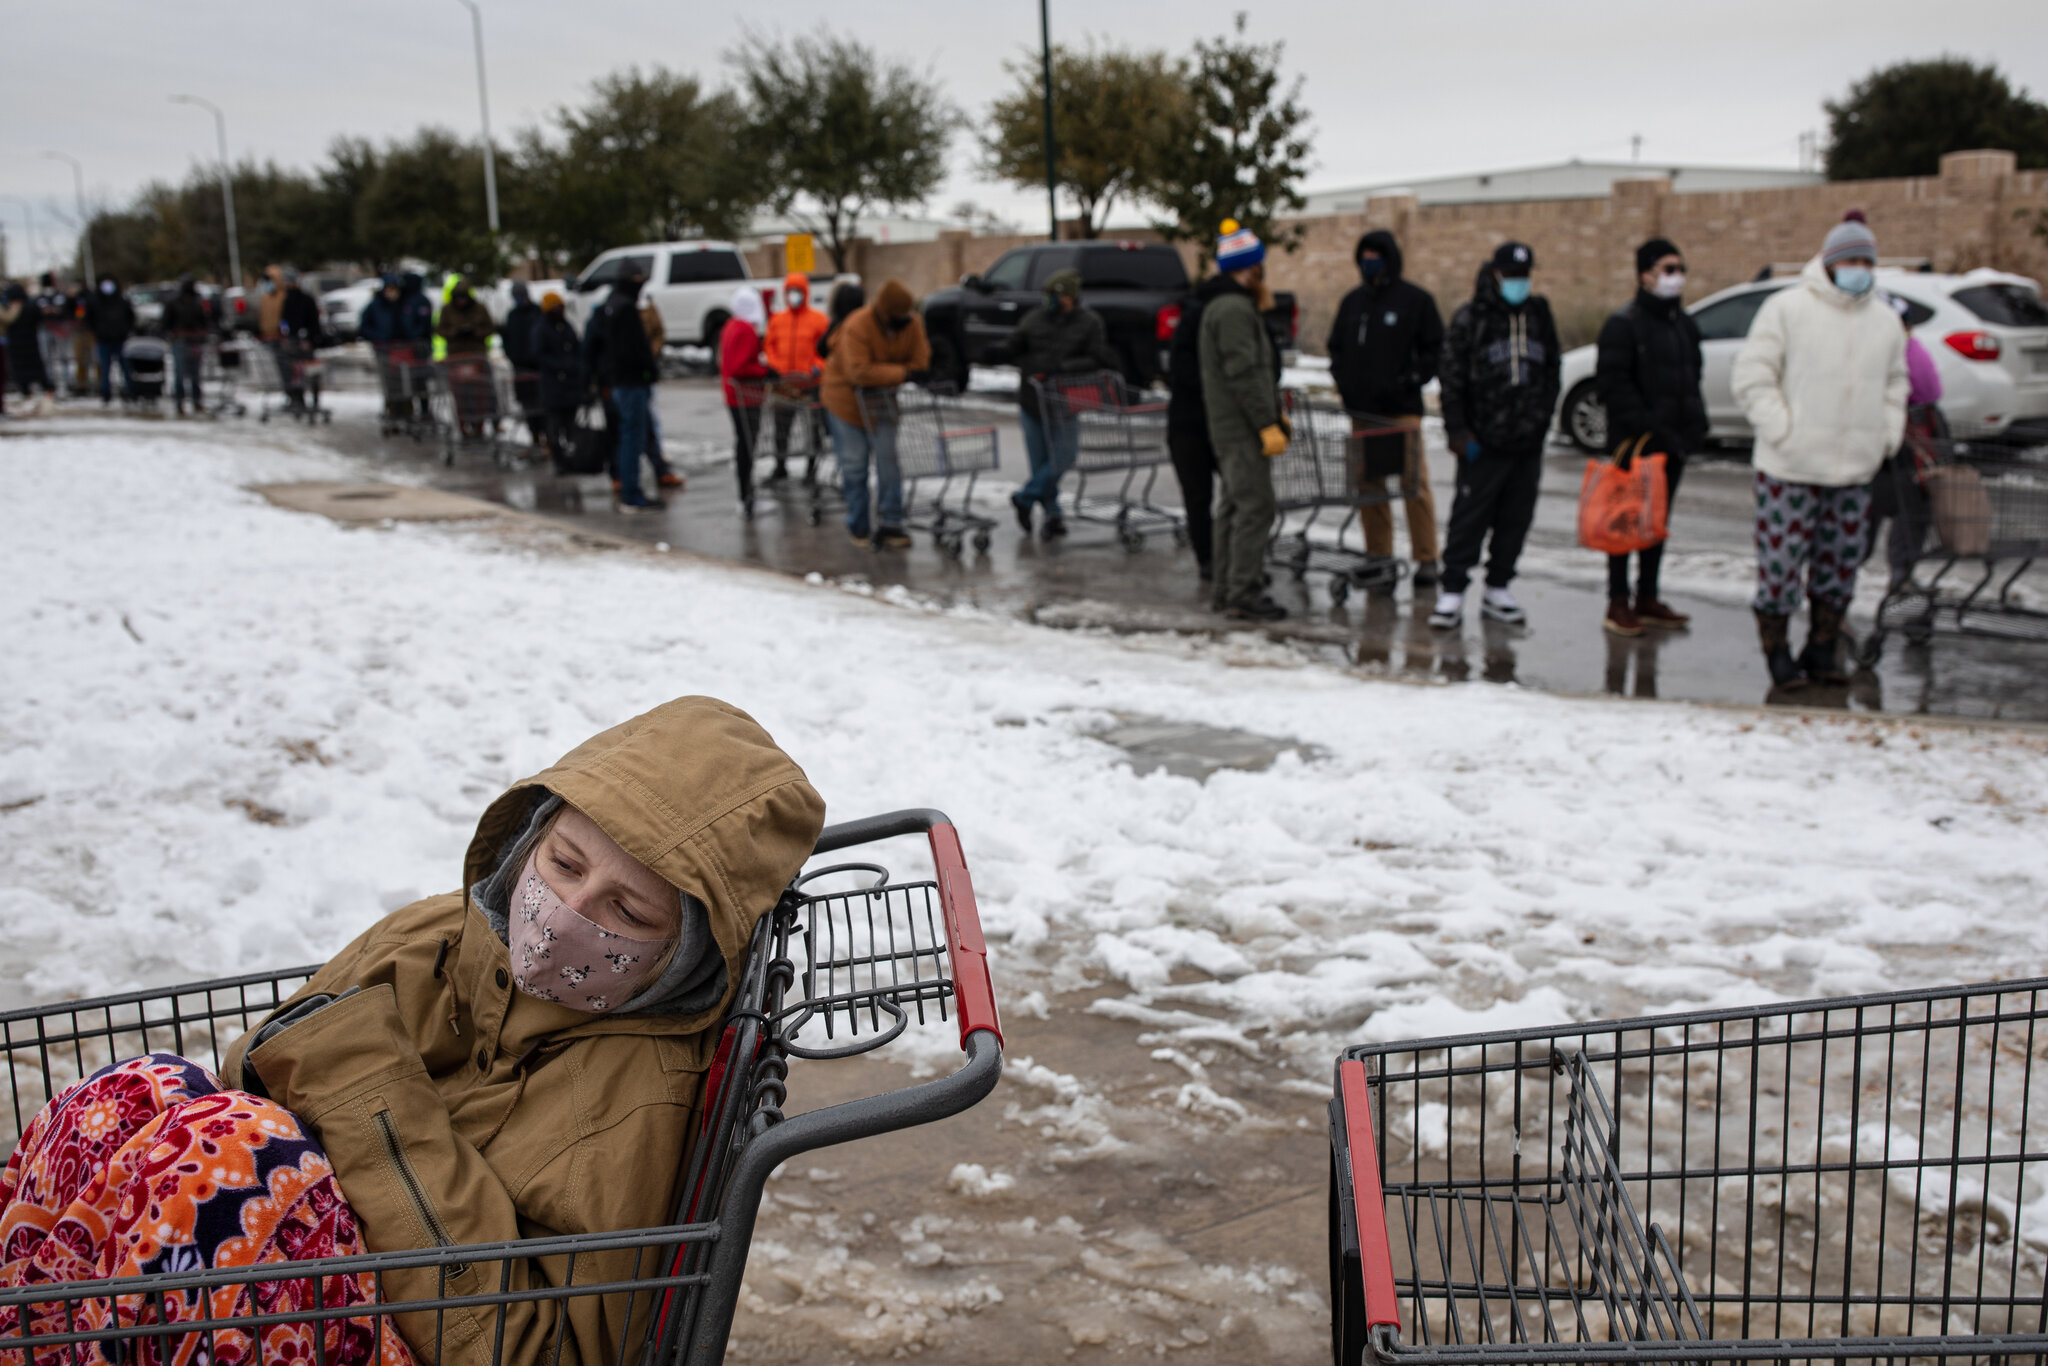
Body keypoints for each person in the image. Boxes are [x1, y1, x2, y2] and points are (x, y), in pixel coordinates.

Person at [0, 696, 826, 1366]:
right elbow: (251, 1067)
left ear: (686, 957)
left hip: (395, 1328)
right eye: (565, 864)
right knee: (135, 1094)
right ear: (532, 835)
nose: (569, 912)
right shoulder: (437, 938)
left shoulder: (631, 1108)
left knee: (236, 1159)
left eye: (628, 910)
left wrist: (369, 1104)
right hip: (299, 1278)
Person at [1732, 211, 1907, 689]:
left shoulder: (1886, 320)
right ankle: (1777, 652)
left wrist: (1886, 434)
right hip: (1789, 468)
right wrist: (1782, 428)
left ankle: (1823, 648)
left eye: (1866, 261)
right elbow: (1753, 376)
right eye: (1850, 259)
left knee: (1840, 567)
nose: (1859, 268)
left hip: (1853, 471)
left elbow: (1897, 382)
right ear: (1829, 262)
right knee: (1780, 566)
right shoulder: (1789, 309)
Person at [1430, 242, 1561, 631]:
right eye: (1511, 276)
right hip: (1482, 441)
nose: (1519, 283)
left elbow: (1552, 369)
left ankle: (1499, 587)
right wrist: (1458, 430)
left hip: (1526, 440)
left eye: (1525, 276)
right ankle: (1452, 589)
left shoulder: (1538, 316)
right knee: (1470, 517)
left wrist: (1542, 420)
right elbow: (1451, 378)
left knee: (1515, 518)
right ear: (1494, 274)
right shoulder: (1473, 319)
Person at [1593, 237, 1708, 636]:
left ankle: (1648, 596)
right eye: (1667, 269)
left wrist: (1694, 425)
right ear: (1645, 275)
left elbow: (1691, 377)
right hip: (1635, 443)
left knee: (1656, 524)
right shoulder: (1624, 324)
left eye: (1680, 269)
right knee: (1625, 525)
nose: (1676, 278)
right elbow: (1613, 384)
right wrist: (1648, 425)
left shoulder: (1684, 324)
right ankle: (1617, 600)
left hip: (1672, 444)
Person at [1325, 229, 1445, 586]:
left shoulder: (1415, 301)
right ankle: (1378, 555)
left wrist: (1409, 380)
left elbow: (1435, 350)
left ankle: (1426, 558)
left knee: (1413, 485)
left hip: (1401, 410)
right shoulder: (1353, 303)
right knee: (1369, 486)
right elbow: (1337, 349)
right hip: (1363, 413)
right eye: (1364, 255)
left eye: (1376, 255)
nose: (1369, 262)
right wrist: (1346, 384)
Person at [1200, 221, 1290, 622]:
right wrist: (1266, 422)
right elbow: (1245, 373)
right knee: (1255, 507)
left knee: (1234, 507)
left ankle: (1226, 588)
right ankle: (1242, 590)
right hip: (1239, 427)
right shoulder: (1234, 310)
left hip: (1228, 424)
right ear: (1250, 269)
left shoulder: (1222, 306)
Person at [997, 266, 1121, 542]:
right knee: (1041, 462)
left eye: (1056, 295)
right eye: (1048, 294)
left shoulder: (1089, 323)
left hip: (1064, 400)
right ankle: (1053, 514)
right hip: (1032, 399)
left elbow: (1096, 357)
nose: (1050, 300)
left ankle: (1025, 498)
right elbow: (1016, 344)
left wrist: (1063, 367)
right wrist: (1000, 351)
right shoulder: (1034, 319)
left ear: (1070, 297)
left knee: (1063, 457)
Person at [820, 278, 930, 549]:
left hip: (882, 402)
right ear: (884, 313)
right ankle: (858, 525)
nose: (904, 321)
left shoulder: (911, 324)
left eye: (907, 316)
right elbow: (858, 371)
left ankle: (892, 523)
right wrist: (901, 372)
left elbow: (920, 360)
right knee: (855, 465)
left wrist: (887, 372)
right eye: (898, 317)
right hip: (845, 402)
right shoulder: (857, 326)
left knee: (888, 462)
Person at [1867, 294, 1944, 591]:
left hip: (1897, 454)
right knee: (1906, 518)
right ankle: (1902, 582)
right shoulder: (1908, 349)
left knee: (1878, 521)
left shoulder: (1902, 352)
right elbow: (1930, 393)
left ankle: (1901, 584)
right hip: (1901, 455)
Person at [1164, 270, 1229, 582]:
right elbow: (1181, 371)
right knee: (1204, 497)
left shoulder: (1236, 317)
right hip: (1194, 422)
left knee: (1219, 497)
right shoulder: (1198, 321)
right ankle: (1211, 559)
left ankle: (1230, 560)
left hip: (1203, 423)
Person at [587, 260, 663, 512]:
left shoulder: (612, 305)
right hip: (630, 382)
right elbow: (634, 348)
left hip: (620, 381)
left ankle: (632, 487)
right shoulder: (624, 308)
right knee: (632, 437)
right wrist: (649, 370)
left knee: (630, 435)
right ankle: (632, 492)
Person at [763, 272, 829, 484]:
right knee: (781, 427)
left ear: (805, 292)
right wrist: (776, 366)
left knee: (811, 428)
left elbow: (826, 350)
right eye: (790, 292)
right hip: (784, 383)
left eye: (798, 291)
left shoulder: (818, 320)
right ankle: (780, 465)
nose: (794, 296)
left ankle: (812, 468)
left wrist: (817, 367)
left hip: (809, 383)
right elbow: (769, 345)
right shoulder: (778, 320)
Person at [718, 286, 775, 517]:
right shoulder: (745, 331)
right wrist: (764, 371)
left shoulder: (731, 326)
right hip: (746, 397)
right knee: (747, 446)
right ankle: (747, 496)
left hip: (734, 396)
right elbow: (740, 367)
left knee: (744, 444)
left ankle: (746, 494)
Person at [534, 291, 587, 468]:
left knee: (571, 426)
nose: (560, 310)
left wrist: (576, 367)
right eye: (557, 307)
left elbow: (578, 348)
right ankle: (559, 460)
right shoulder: (541, 329)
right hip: (553, 388)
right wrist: (561, 365)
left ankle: (573, 458)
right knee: (554, 427)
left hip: (570, 386)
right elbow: (539, 355)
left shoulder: (566, 326)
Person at [638, 292, 682, 490]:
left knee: (651, 418)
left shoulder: (648, 306)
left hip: (646, 371)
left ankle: (658, 460)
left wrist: (651, 354)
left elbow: (658, 332)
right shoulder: (621, 309)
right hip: (630, 378)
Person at [163, 274, 211, 416]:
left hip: (195, 341)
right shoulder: (173, 302)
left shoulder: (198, 300)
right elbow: (166, 322)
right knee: (180, 374)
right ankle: (179, 403)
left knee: (195, 374)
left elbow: (204, 320)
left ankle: (197, 401)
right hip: (179, 342)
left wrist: (203, 333)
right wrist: (171, 334)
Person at [85, 274, 137, 404]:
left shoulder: (121, 300)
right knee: (105, 368)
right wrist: (97, 332)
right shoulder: (95, 301)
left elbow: (131, 317)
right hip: (103, 340)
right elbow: (88, 319)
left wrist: (126, 331)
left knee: (125, 368)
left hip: (120, 339)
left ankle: (129, 392)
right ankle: (105, 394)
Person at [3, 282, 56, 411]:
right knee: (36, 370)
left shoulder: (12, 308)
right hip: (30, 344)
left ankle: (30, 395)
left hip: (18, 345)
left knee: (23, 372)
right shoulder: (30, 306)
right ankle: (45, 392)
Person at [278, 270, 324, 413]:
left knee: (310, 372)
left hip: (306, 341)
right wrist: (284, 334)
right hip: (292, 340)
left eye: (289, 281)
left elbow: (314, 322)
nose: (287, 284)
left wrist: (310, 338)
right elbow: (283, 321)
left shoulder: (307, 300)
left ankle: (315, 400)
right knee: (295, 372)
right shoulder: (286, 300)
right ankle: (298, 400)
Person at [435, 277, 495, 358]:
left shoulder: (480, 308)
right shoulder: (447, 310)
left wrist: (475, 332)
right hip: (455, 353)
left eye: (463, 298)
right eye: (458, 298)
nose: (461, 301)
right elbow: (440, 330)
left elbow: (490, 328)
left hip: (476, 351)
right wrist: (456, 332)